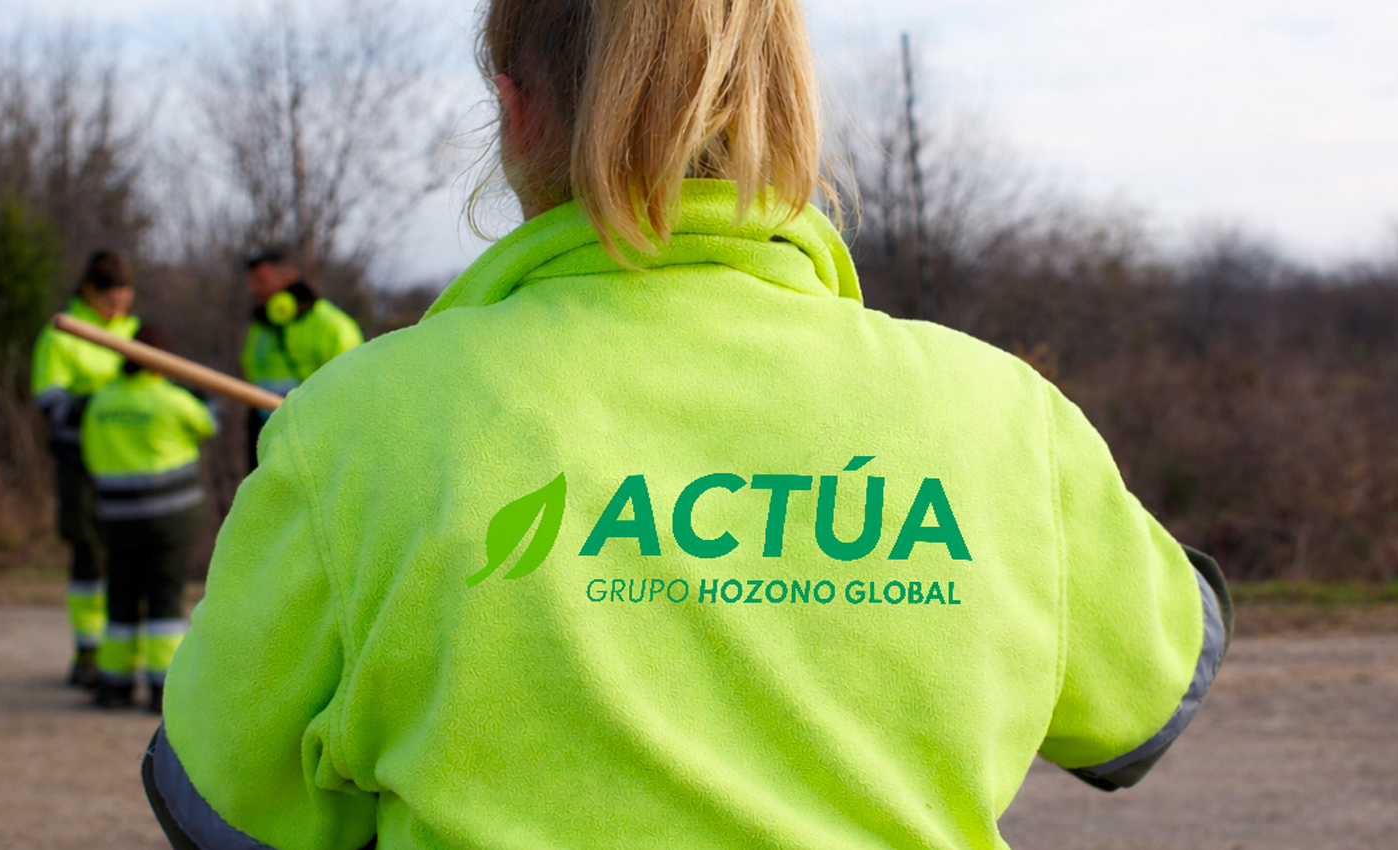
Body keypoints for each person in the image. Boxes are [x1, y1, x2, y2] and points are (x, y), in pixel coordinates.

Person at [145, 1, 1230, 848]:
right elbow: (1147, 693)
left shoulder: (352, 428)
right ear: (791, 103)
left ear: (516, 109)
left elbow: (236, 806)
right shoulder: (1001, 417)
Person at [78, 326, 218, 713]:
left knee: (120, 597)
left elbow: (89, 454)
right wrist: (200, 393)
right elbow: (209, 424)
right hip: (171, 517)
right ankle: (163, 687)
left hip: (118, 517)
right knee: (165, 599)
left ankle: (114, 683)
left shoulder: (100, 403)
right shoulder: (171, 399)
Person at [29, 250, 139, 689]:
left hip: (129, 465)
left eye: (127, 300)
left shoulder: (132, 332)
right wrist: (104, 406)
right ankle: (87, 650)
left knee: (125, 560)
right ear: (90, 292)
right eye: (114, 300)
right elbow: (50, 402)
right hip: (82, 463)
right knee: (89, 554)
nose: (121, 309)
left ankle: (120, 657)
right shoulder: (62, 337)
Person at [239, 248, 363, 468]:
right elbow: (252, 370)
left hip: (314, 447)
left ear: (289, 278)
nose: (252, 288)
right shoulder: (261, 328)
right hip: (267, 440)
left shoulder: (333, 327)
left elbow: (352, 397)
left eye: (261, 280)